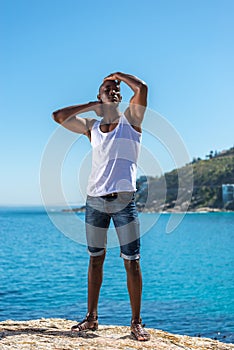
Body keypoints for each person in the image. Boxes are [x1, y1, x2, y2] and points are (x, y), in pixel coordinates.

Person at [52, 72, 150, 341]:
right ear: (100, 95)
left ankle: (136, 322)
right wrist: (93, 106)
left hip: (124, 201)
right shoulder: (92, 127)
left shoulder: (131, 122)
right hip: (94, 201)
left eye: (116, 88)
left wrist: (119, 75)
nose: (114, 90)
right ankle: (92, 318)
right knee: (95, 259)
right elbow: (58, 116)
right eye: (108, 88)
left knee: (132, 262)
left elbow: (141, 87)